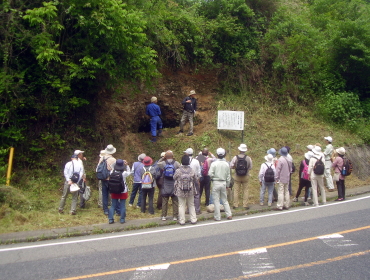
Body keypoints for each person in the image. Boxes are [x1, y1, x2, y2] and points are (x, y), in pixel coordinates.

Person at [208, 148, 232, 221]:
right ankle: (229, 214)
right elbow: (228, 176)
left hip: (216, 182)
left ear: (217, 154)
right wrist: (228, 185)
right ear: (224, 155)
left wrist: (213, 177)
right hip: (224, 182)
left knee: (216, 200)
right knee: (224, 200)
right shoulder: (226, 164)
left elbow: (210, 174)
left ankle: (217, 217)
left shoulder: (214, 164)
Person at [174, 155, 198, 225]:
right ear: (188, 162)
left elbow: (174, 177)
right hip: (190, 190)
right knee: (191, 205)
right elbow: (195, 179)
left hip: (180, 190)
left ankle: (182, 220)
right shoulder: (192, 170)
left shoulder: (178, 170)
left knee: (181, 205)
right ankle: (193, 219)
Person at [157, 151, 180, 221]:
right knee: (175, 201)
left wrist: (163, 158)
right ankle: (175, 216)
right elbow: (180, 168)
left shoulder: (163, 163)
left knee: (164, 201)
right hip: (174, 183)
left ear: (166, 157)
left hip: (166, 183)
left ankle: (164, 216)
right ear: (172, 156)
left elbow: (158, 164)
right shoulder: (176, 163)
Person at [230, 144, 252, 210]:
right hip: (246, 176)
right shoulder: (248, 158)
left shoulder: (235, 157)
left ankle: (235, 205)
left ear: (239, 150)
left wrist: (235, 167)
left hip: (237, 176)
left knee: (236, 190)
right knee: (246, 190)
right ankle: (245, 205)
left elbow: (231, 165)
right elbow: (250, 167)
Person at [96, 144, 117, 215]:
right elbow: (115, 170)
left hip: (103, 178)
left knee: (104, 194)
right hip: (110, 179)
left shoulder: (102, 158)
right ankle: (114, 208)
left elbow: (98, 168)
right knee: (113, 194)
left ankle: (105, 210)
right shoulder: (113, 160)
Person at [108, 159, 130, 224]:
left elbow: (112, 167)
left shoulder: (112, 172)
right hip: (123, 190)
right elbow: (129, 172)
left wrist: (115, 163)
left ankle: (110, 219)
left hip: (114, 190)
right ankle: (122, 219)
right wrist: (127, 165)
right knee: (122, 206)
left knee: (113, 205)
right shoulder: (124, 173)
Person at [184, 148, 201, 214]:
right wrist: (198, 178)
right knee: (196, 194)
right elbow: (199, 171)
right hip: (195, 179)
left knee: (188, 194)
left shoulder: (184, 161)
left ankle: (188, 209)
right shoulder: (196, 161)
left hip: (186, 179)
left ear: (187, 153)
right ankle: (197, 210)